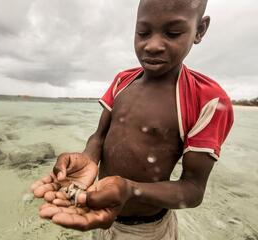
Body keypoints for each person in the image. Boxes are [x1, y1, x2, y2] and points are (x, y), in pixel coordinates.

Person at [30, 0, 234, 239]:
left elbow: (192, 190)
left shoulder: (207, 100)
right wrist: (87, 158)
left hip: (148, 230)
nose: (153, 45)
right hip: (97, 212)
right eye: (143, 32)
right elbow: (100, 136)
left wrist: (130, 190)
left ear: (199, 30)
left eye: (173, 33)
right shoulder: (122, 81)